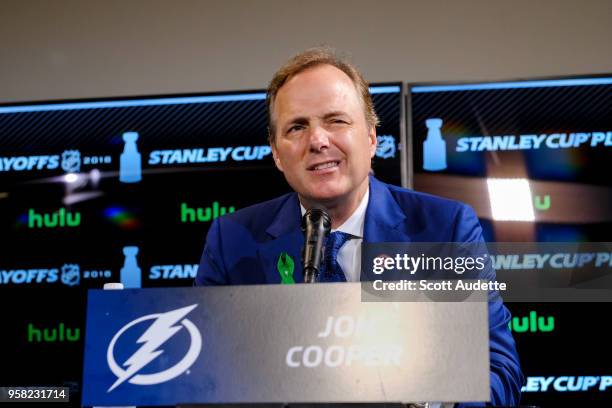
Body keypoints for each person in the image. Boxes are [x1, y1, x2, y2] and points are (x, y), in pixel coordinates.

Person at [196, 47, 523, 406]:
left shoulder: (445, 230)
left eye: (336, 120)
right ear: (276, 153)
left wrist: (430, 398)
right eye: (297, 127)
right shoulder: (232, 241)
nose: (318, 140)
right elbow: (202, 377)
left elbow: (498, 369)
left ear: (371, 138)